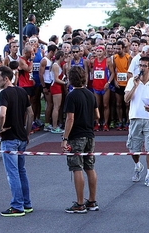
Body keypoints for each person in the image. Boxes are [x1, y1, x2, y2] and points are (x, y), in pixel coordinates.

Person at [0, 66, 34, 217]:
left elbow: (1, 114)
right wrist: (27, 132)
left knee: (13, 173)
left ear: (6, 78)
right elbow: (30, 113)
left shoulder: (5, 93)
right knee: (21, 171)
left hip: (10, 137)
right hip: (21, 136)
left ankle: (17, 206)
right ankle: (26, 203)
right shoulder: (21, 91)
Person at [61, 66, 100, 214]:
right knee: (89, 166)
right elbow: (97, 115)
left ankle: (79, 203)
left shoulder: (72, 96)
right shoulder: (90, 94)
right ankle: (92, 200)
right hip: (90, 134)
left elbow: (70, 118)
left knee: (76, 167)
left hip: (76, 135)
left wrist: (65, 138)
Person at [124, 56, 149, 187]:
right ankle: (137, 166)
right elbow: (126, 99)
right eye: (140, 65)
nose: (141, 68)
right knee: (133, 149)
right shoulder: (132, 81)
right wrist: (135, 86)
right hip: (135, 117)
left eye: (144, 66)